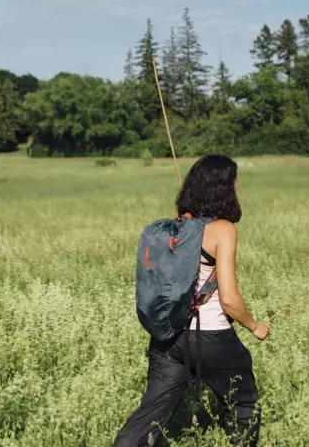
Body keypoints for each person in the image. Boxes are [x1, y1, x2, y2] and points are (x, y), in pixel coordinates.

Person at [114, 154, 268, 447]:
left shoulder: (174, 230)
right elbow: (230, 300)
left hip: (167, 337)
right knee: (243, 404)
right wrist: (254, 326)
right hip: (211, 337)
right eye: (234, 181)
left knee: (150, 416)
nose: (237, 186)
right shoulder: (223, 230)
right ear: (224, 188)